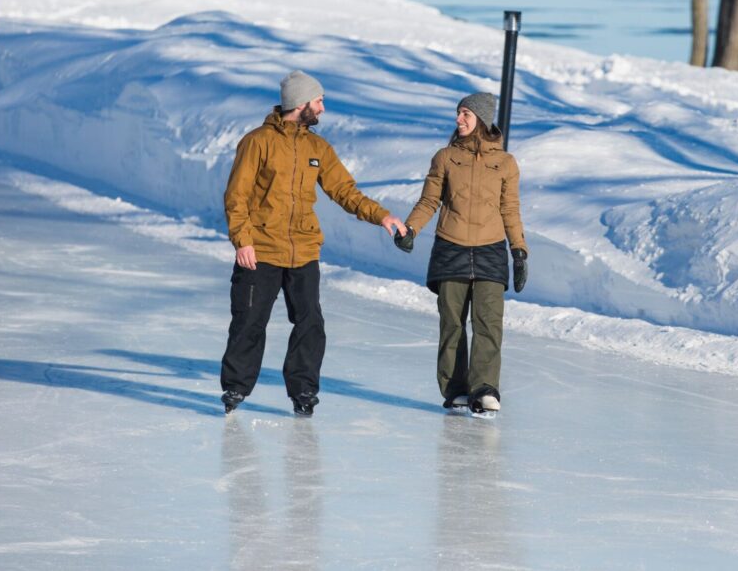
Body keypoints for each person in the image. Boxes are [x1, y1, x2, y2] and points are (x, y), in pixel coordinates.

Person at [219, 70, 407, 416]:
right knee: (249, 321)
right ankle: (235, 387)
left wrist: (381, 215)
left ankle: (303, 390)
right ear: (301, 103)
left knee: (311, 323)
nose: (322, 107)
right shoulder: (257, 141)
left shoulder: (317, 147)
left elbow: (344, 191)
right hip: (260, 250)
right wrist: (242, 241)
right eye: (318, 101)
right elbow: (237, 196)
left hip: (303, 250)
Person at [394, 92, 528, 416]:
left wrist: (519, 251)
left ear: (481, 119)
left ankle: (483, 389)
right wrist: (411, 229)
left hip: (490, 249)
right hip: (451, 246)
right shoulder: (445, 157)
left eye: (465, 114)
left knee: (488, 322)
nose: (459, 120)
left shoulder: (505, 163)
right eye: (458, 114)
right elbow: (429, 202)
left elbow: (510, 209)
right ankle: (455, 389)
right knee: (452, 323)